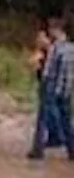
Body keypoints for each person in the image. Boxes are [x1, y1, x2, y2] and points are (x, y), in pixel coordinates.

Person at [28, 18, 74, 161]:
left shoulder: (55, 48)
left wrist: (45, 83)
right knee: (66, 119)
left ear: (56, 30)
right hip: (67, 87)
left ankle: (38, 149)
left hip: (52, 86)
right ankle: (71, 149)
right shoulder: (71, 48)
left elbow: (49, 71)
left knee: (43, 118)